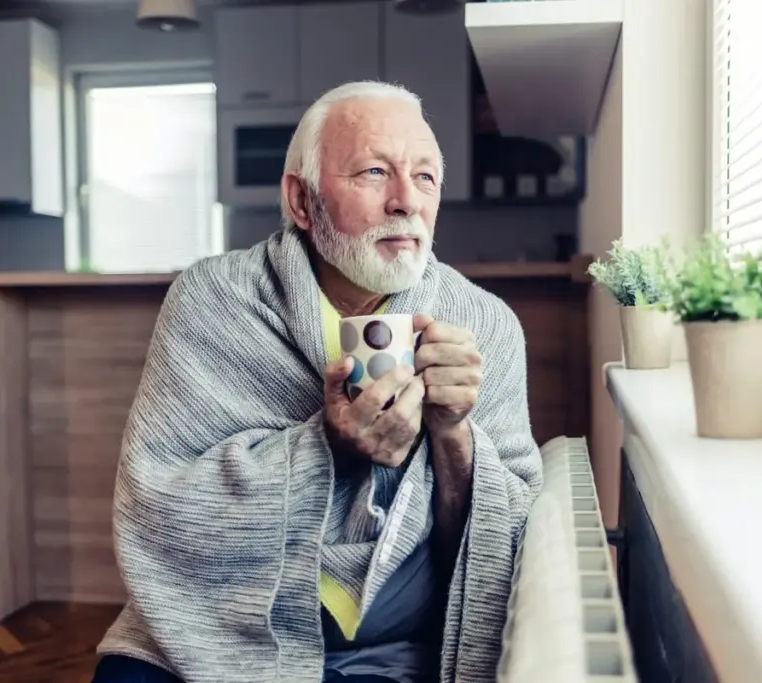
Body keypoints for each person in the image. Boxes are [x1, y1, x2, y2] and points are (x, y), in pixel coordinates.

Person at [91, 81, 543, 683]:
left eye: (425, 177)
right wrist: (326, 446)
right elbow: (158, 504)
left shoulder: (485, 325)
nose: (406, 201)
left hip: (396, 646)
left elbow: (509, 540)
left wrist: (454, 436)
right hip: (207, 623)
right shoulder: (214, 300)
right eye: (375, 172)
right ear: (302, 201)